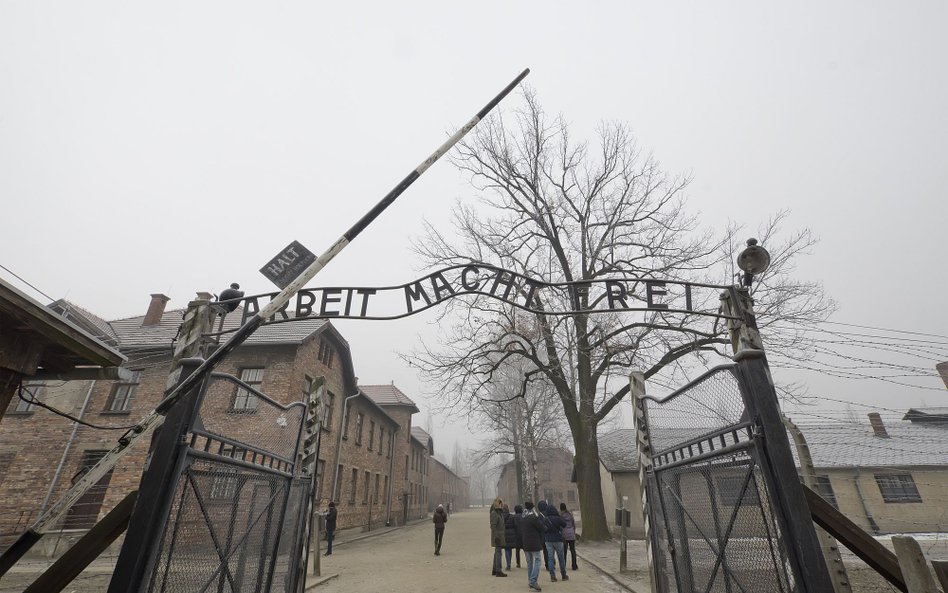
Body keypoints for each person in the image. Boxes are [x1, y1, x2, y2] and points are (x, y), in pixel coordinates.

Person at [519, 501, 546, 592]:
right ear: (532, 508)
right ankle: (533, 580)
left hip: (526, 543)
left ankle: (530, 581)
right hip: (534, 543)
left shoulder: (522, 517)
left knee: (529, 562)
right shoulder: (533, 517)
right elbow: (541, 527)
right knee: (538, 560)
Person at [542, 500, 568, 581]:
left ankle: (552, 576)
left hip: (548, 540)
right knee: (561, 558)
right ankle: (563, 575)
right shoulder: (558, 518)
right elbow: (564, 524)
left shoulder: (545, 519)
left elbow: (543, 529)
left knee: (550, 558)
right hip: (558, 539)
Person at [489, 497, 507, 577]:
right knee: (498, 553)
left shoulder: (499, 513)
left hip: (500, 535)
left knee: (497, 552)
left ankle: (495, 569)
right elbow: (493, 526)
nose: (502, 505)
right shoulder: (494, 513)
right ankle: (498, 570)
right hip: (498, 536)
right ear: (497, 504)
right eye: (500, 504)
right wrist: (496, 537)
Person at [560, 502, 578, 571]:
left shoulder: (561, 516)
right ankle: (574, 565)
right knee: (573, 550)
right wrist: (573, 532)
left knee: (564, 551)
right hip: (571, 534)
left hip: (564, 535)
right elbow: (574, 525)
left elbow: (560, 526)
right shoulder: (570, 515)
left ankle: (563, 565)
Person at [502, 503, 519, 570]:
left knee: (506, 549)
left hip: (504, 534)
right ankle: (509, 563)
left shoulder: (501, 516)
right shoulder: (512, 516)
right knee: (510, 549)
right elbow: (516, 525)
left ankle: (508, 564)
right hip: (511, 534)